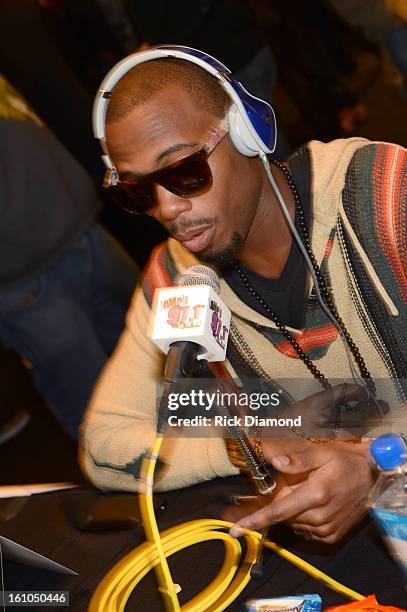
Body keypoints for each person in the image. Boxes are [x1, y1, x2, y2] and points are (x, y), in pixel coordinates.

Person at [80, 47, 407, 554]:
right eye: (138, 191)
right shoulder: (175, 277)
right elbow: (105, 446)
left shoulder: (385, 196)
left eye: (185, 171)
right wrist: (263, 434)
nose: (169, 208)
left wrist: (372, 463)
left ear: (247, 131)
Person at [0, 74, 139, 438]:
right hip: (24, 279)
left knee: (161, 362)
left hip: (79, 224)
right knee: (100, 410)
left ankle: (210, 467)